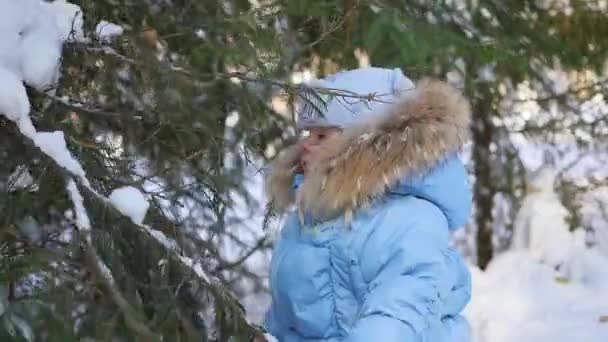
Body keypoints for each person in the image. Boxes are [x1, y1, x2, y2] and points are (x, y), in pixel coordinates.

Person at [263, 67, 473, 342]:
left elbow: (397, 317)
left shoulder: (412, 222)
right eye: (307, 134)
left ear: (364, 145)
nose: (305, 145)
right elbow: (285, 317)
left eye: (322, 136)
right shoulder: (307, 220)